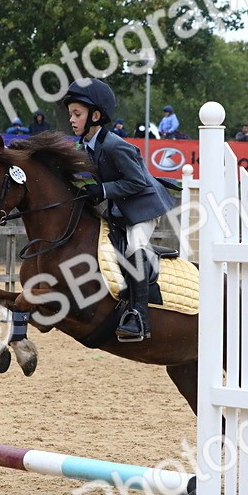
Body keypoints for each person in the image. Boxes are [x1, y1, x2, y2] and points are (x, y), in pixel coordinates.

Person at [64, 77, 175, 342]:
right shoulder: (86, 147)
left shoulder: (115, 145)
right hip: (121, 206)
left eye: (77, 114)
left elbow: (136, 182)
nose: (72, 119)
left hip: (144, 206)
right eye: (71, 114)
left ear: (96, 115)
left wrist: (101, 191)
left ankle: (139, 317)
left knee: (134, 247)